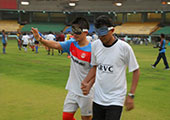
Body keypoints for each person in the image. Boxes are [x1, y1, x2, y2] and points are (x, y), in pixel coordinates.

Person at [32, 17, 93, 120]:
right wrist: (40, 39)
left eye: (77, 32)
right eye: (73, 31)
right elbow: (55, 45)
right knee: (66, 117)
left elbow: (95, 71)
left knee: (86, 118)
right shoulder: (72, 44)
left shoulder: (92, 50)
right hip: (72, 89)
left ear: (85, 32)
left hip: (86, 92)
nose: (74, 35)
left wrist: (88, 84)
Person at [81, 15, 140, 120]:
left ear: (112, 30)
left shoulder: (124, 48)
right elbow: (95, 67)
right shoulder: (95, 45)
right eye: (99, 34)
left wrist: (131, 95)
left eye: (103, 34)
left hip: (116, 99)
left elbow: (136, 70)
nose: (101, 37)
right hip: (98, 97)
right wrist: (86, 82)